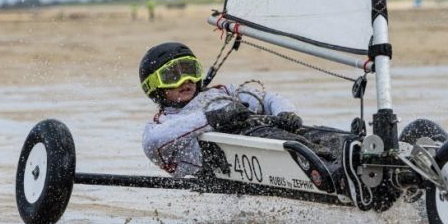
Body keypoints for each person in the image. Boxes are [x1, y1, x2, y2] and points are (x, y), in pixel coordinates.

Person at [139, 42, 353, 196]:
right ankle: (338, 175)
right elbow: (154, 143)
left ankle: (359, 154)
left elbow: (270, 98)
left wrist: (285, 113)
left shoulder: (224, 90)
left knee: (312, 134)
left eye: (188, 70)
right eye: (172, 76)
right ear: (154, 86)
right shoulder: (161, 124)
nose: (184, 80)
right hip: (244, 148)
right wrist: (211, 117)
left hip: (271, 136)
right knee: (291, 142)